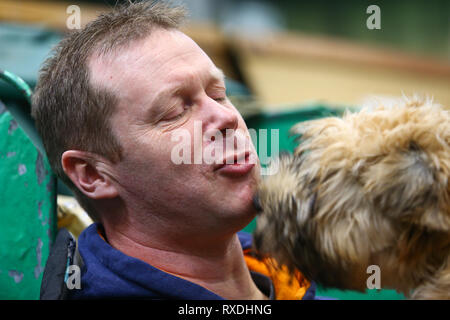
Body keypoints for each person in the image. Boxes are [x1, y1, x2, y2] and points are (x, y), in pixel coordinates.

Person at [33, 0, 315, 300]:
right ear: (93, 174)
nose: (227, 117)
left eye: (219, 94)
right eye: (174, 112)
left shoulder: (294, 273)